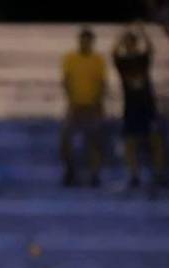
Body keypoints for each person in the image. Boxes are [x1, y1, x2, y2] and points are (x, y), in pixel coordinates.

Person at [113, 24, 167, 188]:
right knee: (130, 142)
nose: (130, 44)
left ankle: (159, 173)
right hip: (131, 107)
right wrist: (122, 35)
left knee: (155, 140)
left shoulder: (142, 58)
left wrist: (142, 32)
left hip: (147, 106)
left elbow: (150, 49)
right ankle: (134, 175)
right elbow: (114, 52)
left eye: (132, 42)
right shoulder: (122, 62)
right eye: (128, 42)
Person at [61, 27, 106, 188]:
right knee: (65, 139)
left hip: (92, 106)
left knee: (95, 141)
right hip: (74, 105)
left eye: (88, 41)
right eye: (82, 40)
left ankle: (95, 174)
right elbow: (66, 80)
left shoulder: (98, 59)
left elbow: (102, 83)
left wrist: (97, 103)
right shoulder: (70, 58)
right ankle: (70, 171)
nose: (85, 43)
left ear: (92, 42)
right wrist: (71, 101)